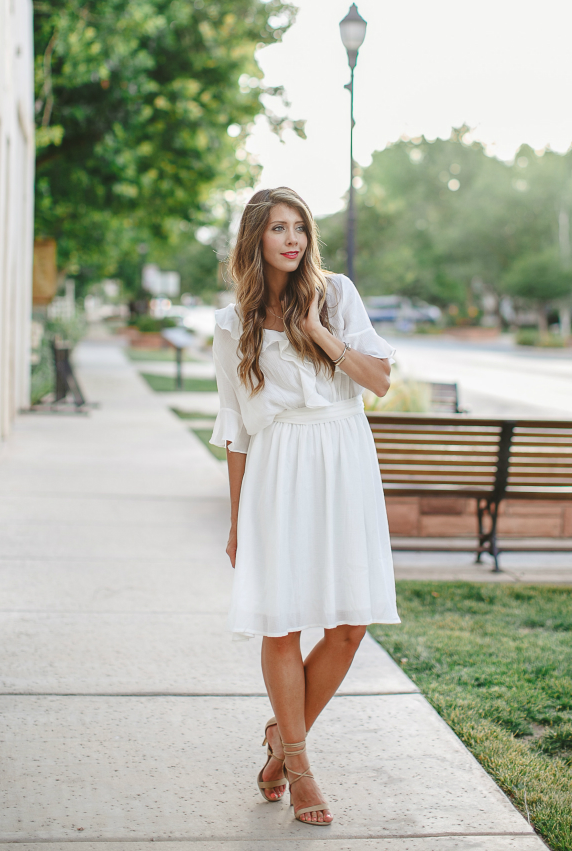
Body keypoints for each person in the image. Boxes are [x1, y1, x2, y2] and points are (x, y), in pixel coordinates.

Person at [211, 186, 399, 826]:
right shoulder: (232, 323)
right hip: (279, 468)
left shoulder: (337, 293)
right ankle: (298, 762)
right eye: (277, 229)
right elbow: (235, 428)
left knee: (350, 624)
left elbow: (378, 381)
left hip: (345, 458)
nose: (291, 239)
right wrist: (237, 519)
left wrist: (317, 330)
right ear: (254, 239)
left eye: (299, 228)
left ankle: (277, 746)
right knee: (282, 621)